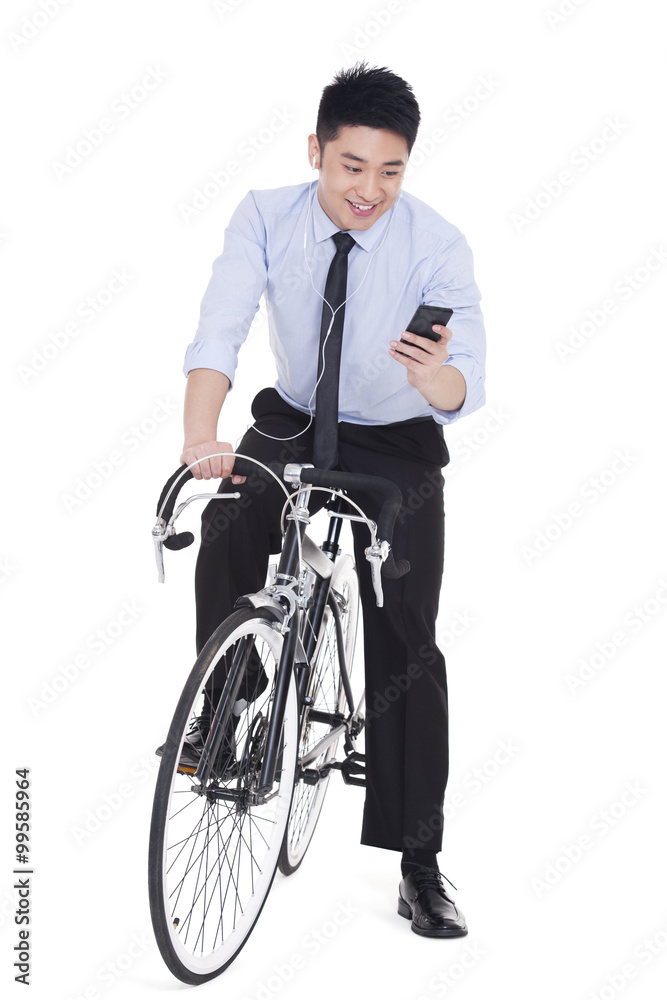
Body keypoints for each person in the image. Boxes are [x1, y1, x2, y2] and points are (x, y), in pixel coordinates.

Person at [179, 62, 486, 938]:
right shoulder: (264, 216)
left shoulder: (435, 242)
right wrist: (202, 440)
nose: (369, 190)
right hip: (296, 413)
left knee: (405, 635)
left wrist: (442, 382)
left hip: (394, 434)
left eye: (389, 171)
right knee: (234, 517)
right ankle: (226, 704)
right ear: (316, 150)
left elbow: (470, 378)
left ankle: (417, 863)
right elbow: (219, 329)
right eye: (351, 166)